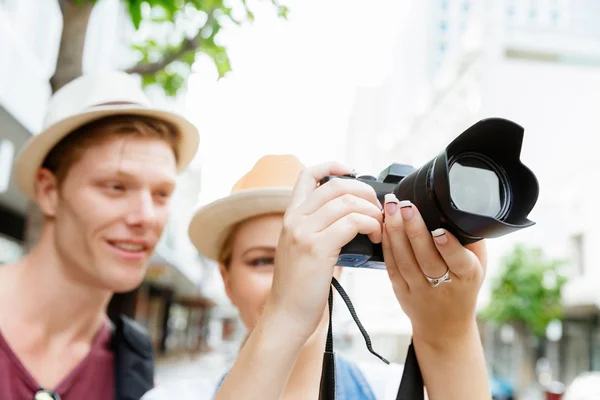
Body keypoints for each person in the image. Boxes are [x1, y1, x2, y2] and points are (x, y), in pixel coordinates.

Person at [144, 154, 491, 399]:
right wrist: (285, 317)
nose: (291, 276)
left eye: (309, 253)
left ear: (339, 266)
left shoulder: (391, 389)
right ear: (227, 280)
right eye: (263, 261)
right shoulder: (174, 394)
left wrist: (451, 331)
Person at [0, 71, 200, 400]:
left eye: (162, 194)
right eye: (116, 187)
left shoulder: (132, 364)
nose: (146, 217)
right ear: (49, 191)